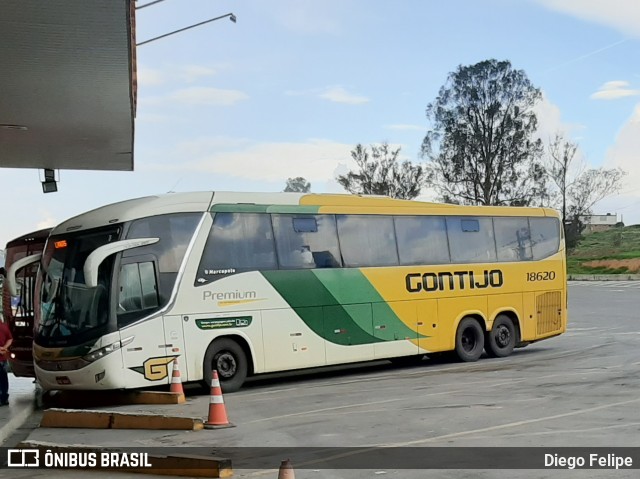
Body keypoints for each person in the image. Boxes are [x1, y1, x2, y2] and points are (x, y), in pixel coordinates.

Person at [0, 320, 13, 406]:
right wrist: (4, 348)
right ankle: (4, 398)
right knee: (3, 378)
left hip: (2, 356)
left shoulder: (3, 326)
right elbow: (10, 338)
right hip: (3, 358)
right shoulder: (4, 326)